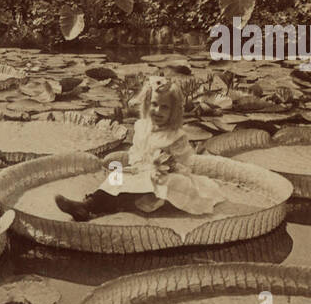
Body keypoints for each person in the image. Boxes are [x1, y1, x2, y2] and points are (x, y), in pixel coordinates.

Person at [54, 75, 225, 221]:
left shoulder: (176, 135)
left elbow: (185, 164)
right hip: (141, 170)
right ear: (146, 104)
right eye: (154, 104)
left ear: (173, 111)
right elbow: (135, 151)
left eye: (164, 107)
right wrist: (135, 165)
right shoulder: (141, 126)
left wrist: (169, 166)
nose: (157, 111)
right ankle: (87, 204)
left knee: (152, 184)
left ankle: (101, 206)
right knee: (117, 176)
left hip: (165, 177)